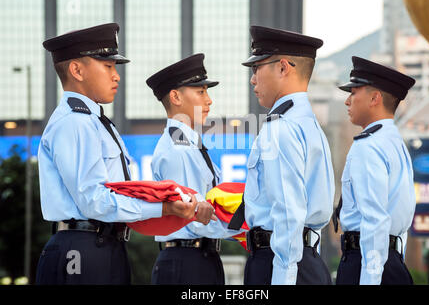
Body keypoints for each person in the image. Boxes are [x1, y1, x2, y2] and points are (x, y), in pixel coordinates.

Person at [36, 23, 197, 285]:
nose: (116, 76)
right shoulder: (75, 122)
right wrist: (163, 207)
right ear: (77, 70)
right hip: (81, 249)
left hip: (101, 245)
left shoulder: (94, 120)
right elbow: (94, 200)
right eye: (107, 66)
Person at [228, 25, 335, 285]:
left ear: (283, 67)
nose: (253, 79)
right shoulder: (309, 124)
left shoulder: (281, 128)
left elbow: (288, 214)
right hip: (304, 261)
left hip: (280, 264)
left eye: (257, 68)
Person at [146, 53, 241, 284]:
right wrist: (247, 223)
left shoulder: (190, 144)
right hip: (187, 261)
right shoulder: (178, 149)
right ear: (176, 96)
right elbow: (198, 217)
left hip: (198, 257)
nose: (209, 100)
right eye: (201, 92)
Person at [334, 56, 416, 285]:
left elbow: (375, 220)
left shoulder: (368, 146)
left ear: (374, 98)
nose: (347, 101)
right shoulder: (396, 143)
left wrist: (370, 278)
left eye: (353, 92)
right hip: (391, 262)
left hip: (365, 264)